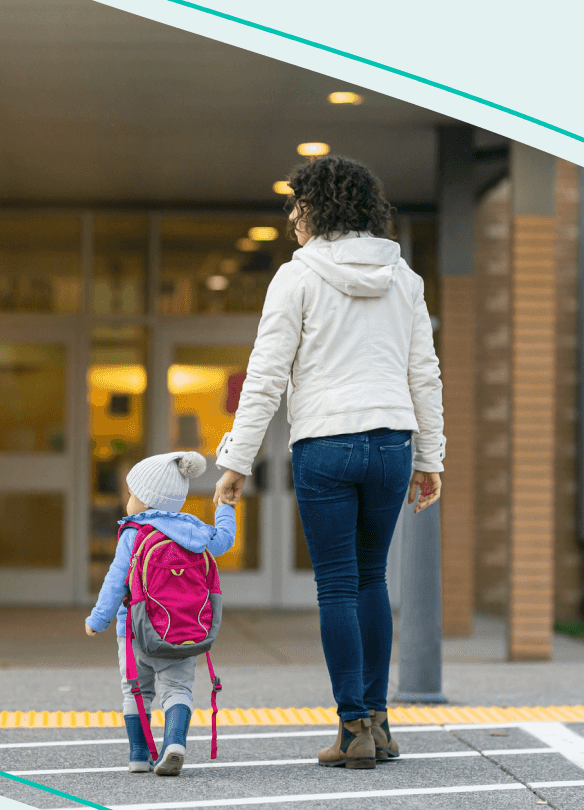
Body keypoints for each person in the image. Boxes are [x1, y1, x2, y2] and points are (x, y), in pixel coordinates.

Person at [212, 154, 445, 770]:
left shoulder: (297, 277)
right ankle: (380, 723)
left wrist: (237, 460)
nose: (292, 216)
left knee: (338, 584)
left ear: (319, 207)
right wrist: (430, 457)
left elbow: (265, 377)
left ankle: (351, 730)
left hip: (326, 445)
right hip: (392, 443)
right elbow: (424, 374)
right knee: (372, 579)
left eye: (297, 204)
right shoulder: (406, 279)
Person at [84, 451, 236, 776]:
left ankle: (139, 755)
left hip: (135, 631)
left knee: (136, 691)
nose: (128, 500)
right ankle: (175, 743)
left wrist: (97, 619)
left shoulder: (133, 533)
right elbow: (224, 540)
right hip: (184, 631)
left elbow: (115, 580)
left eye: (131, 494)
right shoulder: (193, 531)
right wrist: (225, 507)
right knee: (178, 689)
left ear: (145, 499)